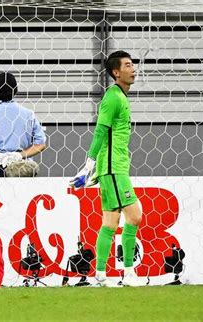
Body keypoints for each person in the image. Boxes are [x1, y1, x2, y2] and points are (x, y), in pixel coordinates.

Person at [69, 50, 145, 287]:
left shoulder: (120, 97)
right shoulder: (113, 97)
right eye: (128, 65)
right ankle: (129, 273)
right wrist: (88, 165)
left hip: (115, 166)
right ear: (116, 72)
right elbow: (100, 131)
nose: (133, 69)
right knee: (134, 216)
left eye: (133, 65)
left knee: (110, 223)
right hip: (113, 168)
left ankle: (101, 274)